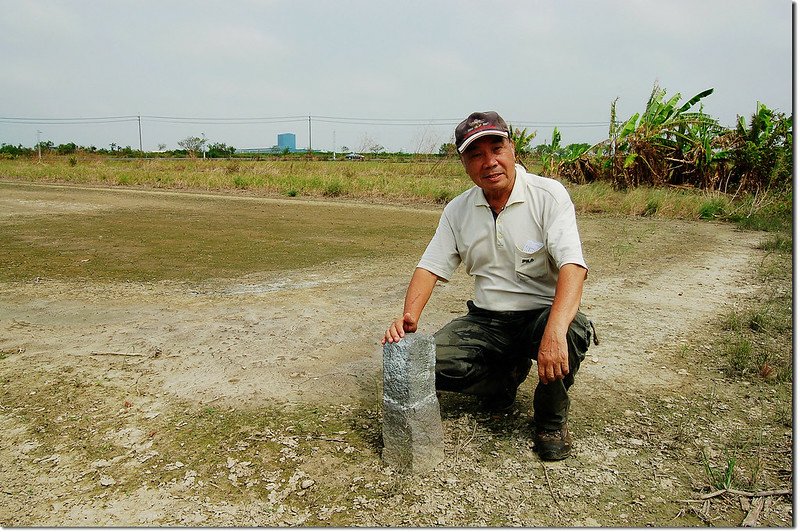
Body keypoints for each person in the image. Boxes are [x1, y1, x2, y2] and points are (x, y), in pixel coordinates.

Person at [382, 111, 595, 461]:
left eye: (496, 148)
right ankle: (504, 377)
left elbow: (573, 267)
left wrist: (554, 331)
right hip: (486, 320)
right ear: (464, 162)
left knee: (570, 333)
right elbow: (429, 267)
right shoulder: (458, 210)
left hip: (540, 315)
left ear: (512, 148)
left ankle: (551, 419)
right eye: (476, 155)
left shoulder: (548, 196)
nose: (489, 162)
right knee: (424, 364)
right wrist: (408, 319)